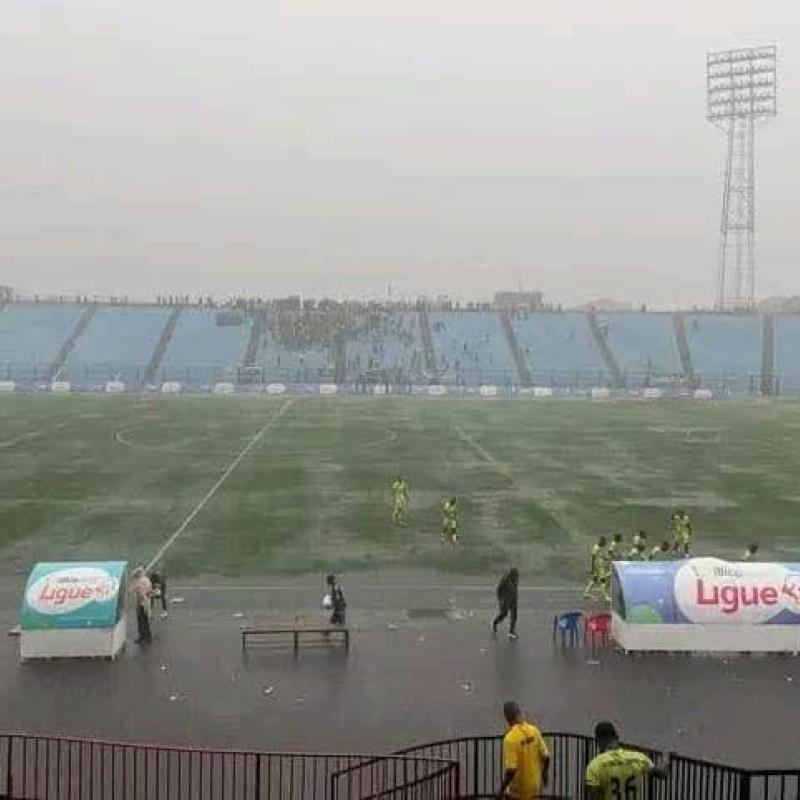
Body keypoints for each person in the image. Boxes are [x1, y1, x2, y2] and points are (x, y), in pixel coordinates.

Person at [585, 721, 666, 800]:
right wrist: (666, 759)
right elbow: (663, 774)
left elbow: (593, 795)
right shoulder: (639, 758)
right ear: (616, 738)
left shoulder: (595, 765)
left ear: (599, 740)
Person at [497, 701, 549, 799]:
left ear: (507, 717)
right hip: (534, 785)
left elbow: (511, 769)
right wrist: (544, 774)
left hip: (518, 789)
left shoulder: (510, 738)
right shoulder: (534, 730)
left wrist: (501, 790)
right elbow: (546, 756)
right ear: (520, 713)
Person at [492, 568, 519, 640]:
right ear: (511, 575)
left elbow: (515, 588)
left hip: (513, 599)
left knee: (514, 616)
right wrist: (501, 599)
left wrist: (515, 598)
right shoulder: (505, 579)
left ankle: (511, 631)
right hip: (505, 600)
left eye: (517, 576)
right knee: (504, 614)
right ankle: (495, 622)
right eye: (515, 576)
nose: (516, 578)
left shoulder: (515, 580)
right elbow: (499, 589)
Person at [584, 536, 610, 601]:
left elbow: (603, 557)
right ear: (601, 541)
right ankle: (606, 596)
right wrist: (592, 567)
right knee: (603, 580)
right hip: (598, 567)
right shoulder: (596, 548)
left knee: (594, 580)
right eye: (604, 542)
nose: (605, 543)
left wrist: (607, 558)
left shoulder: (602, 548)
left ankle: (586, 593)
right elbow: (593, 557)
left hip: (600, 566)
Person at [132, 567, 153, 645]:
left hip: (142, 603)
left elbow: (141, 593)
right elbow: (149, 591)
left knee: (142, 621)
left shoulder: (140, 581)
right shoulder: (147, 580)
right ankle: (146, 637)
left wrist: (143, 602)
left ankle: (144, 637)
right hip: (146, 601)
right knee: (145, 620)